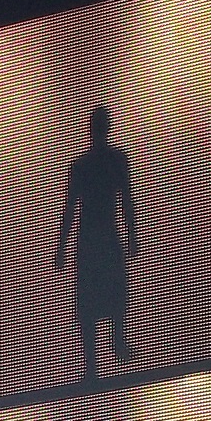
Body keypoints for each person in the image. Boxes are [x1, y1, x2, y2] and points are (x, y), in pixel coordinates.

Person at [55, 107, 139, 384]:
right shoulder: (111, 161)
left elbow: (70, 209)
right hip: (98, 235)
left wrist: (62, 247)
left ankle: (97, 358)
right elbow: (124, 201)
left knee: (99, 294)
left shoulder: (85, 165)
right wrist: (132, 235)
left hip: (92, 236)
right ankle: (107, 349)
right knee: (101, 294)